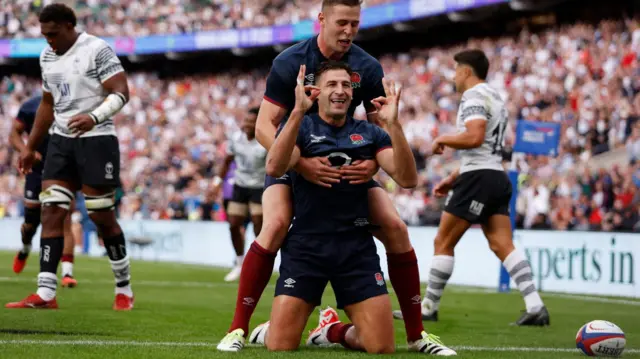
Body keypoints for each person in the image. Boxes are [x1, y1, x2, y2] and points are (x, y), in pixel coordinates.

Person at [218, 0, 425, 349]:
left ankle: (417, 335)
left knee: (394, 225)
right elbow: (265, 127)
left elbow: (380, 131)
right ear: (322, 20)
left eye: (354, 25)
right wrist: (299, 163)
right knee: (276, 224)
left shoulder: (367, 67)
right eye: (341, 23)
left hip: (343, 161)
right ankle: (238, 328)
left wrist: (373, 163)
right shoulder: (289, 62)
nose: (348, 31)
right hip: (294, 158)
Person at [245, 61, 455, 355]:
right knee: (280, 345)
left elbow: (407, 179)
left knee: (381, 347)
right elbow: (275, 165)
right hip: (307, 247)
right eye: (332, 85)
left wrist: (394, 125)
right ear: (316, 92)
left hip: (354, 249)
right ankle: (269, 329)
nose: (340, 91)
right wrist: (295, 111)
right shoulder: (300, 127)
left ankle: (331, 330)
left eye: (346, 85)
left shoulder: (370, 133)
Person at [392, 49, 550, 326]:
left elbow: (476, 137)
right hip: (494, 176)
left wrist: (444, 138)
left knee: (443, 241)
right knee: (502, 243)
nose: (453, 77)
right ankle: (535, 305)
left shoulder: (473, 96)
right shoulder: (496, 97)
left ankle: (428, 307)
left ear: (465, 71)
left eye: (455, 71)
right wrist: (454, 177)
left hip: (478, 179)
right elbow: (487, 148)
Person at [6, 3, 133, 311]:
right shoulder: (47, 56)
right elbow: (47, 105)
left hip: (97, 139)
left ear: (68, 26)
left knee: (102, 216)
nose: (48, 40)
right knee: (51, 212)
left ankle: (124, 289)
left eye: (52, 34)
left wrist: (93, 115)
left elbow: (121, 91)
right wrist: (30, 147)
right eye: (43, 34)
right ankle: (46, 293)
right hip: (60, 142)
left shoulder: (97, 49)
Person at [9, 94, 78, 288]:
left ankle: (67, 273)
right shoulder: (30, 106)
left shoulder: (72, 104)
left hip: (62, 170)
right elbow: (13, 133)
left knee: (64, 217)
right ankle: (25, 247)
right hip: (37, 171)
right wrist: (26, 150)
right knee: (30, 224)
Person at [213, 107, 265, 282]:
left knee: (259, 225)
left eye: (252, 121)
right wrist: (217, 182)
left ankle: (260, 264)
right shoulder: (235, 139)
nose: (247, 124)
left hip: (260, 187)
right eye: (246, 120)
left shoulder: (265, 140)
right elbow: (227, 161)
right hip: (240, 186)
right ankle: (239, 263)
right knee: (234, 224)